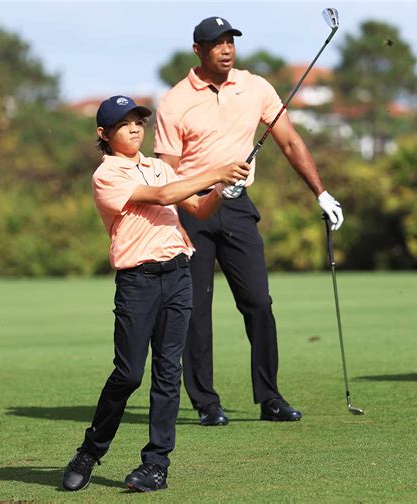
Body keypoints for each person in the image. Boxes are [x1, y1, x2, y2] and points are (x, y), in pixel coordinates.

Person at [154, 16, 344, 426]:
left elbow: (290, 141)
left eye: (230, 42)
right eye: (216, 43)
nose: (225, 49)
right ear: (198, 51)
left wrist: (321, 192)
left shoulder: (256, 87)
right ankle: (206, 403)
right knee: (196, 310)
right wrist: (193, 202)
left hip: (238, 208)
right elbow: (166, 171)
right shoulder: (174, 101)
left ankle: (270, 397)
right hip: (190, 212)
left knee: (259, 302)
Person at [61, 95, 250, 492]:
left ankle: (155, 465)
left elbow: (197, 209)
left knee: (168, 372)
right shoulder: (107, 175)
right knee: (128, 373)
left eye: (138, 121)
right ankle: (90, 450)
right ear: (104, 134)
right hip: (138, 281)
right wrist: (216, 169)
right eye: (124, 123)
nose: (134, 128)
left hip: (178, 275)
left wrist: (223, 187)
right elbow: (164, 198)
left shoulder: (160, 168)